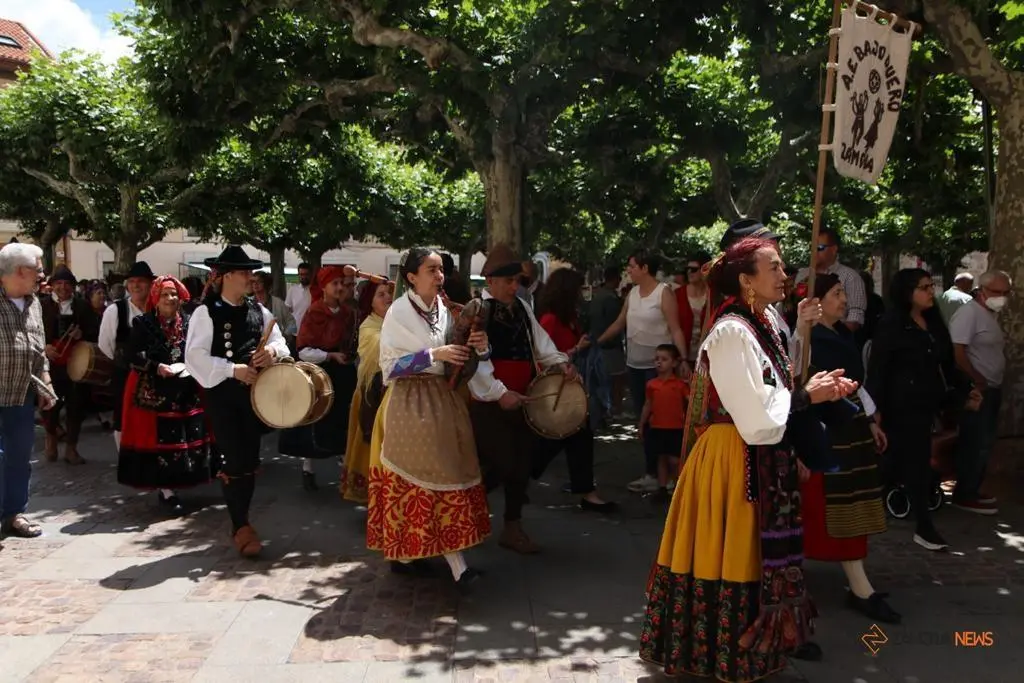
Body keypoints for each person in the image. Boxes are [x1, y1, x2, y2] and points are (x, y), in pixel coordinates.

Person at [639, 237, 858, 681]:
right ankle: (720, 654)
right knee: (733, 553)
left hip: (763, 453)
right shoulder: (731, 332)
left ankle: (758, 653)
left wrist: (814, 389)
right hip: (733, 456)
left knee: (754, 557)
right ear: (746, 280)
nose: (784, 274)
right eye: (773, 267)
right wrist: (805, 397)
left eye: (782, 267)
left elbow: (778, 389)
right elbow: (755, 415)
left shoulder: (769, 320)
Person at [366, 247, 491, 589]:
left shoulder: (446, 309)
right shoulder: (398, 313)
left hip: (444, 401)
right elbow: (390, 366)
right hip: (410, 404)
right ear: (411, 277)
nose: (439, 276)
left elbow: (462, 359)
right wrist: (435, 354)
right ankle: (458, 568)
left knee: (442, 473)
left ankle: (407, 556)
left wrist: (479, 347)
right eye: (432, 270)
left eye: (440, 270)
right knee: (428, 475)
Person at [468, 244, 576, 554]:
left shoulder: (522, 309)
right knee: (500, 463)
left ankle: (512, 528)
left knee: (521, 465)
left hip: (523, 400)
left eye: (517, 281)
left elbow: (541, 343)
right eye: (509, 281)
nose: (515, 286)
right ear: (491, 281)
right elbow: (476, 364)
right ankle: (461, 516)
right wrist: (500, 394)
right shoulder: (478, 312)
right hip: (489, 403)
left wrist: (561, 363)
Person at [803, 273, 897, 623]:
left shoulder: (842, 335)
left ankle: (860, 585)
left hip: (850, 428)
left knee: (848, 506)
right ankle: (858, 588)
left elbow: (854, 386)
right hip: (825, 434)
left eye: (843, 293)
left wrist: (870, 420)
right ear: (817, 301)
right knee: (824, 509)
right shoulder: (809, 340)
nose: (843, 300)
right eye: (836, 293)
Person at [185, 246, 289, 557]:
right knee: (234, 460)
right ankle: (240, 524)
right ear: (227, 275)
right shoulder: (207, 312)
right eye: (245, 273)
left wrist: (271, 353)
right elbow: (194, 358)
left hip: (255, 399)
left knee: (250, 460)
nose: (251, 279)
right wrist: (233, 370)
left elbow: (281, 342)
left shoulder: (260, 311)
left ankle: (241, 521)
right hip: (224, 398)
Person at [866, 269, 962, 551]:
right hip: (901, 405)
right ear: (907, 292)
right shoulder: (892, 324)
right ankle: (923, 524)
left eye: (931, 285)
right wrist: (875, 409)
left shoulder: (932, 322)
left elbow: (946, 363)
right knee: (915, 461)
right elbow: (879, 370)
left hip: (928, 402)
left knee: (908, 461)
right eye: (923, 287)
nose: (930, 291)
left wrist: (964, 390)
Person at [117, 276, 216, 515]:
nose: (170, 299)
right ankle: (167, 490)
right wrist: (156, 367)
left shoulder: (190, 322)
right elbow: (130, 355)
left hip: (185, 385)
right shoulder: (143, 323)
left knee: (187, 432)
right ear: (155, 298)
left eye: (173, 294)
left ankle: (182, 480)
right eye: (164, 295)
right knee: (159, 439)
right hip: (153, 389)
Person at [595, 249, 688, 494]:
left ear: (645, 268)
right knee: (644, 420)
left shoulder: (663, 293)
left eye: (632, 266)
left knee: (664, 422)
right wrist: (597, 341)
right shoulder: (633, 294)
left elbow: (675, 328)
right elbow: (620, 323)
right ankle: (651, 472)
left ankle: (667, 474)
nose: (629, 270)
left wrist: (683, 359)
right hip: (634, 365)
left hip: (658, 369)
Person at [534, 268, 617, 512]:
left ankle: (586, 491)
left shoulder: (569, 317)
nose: (582, 293)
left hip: (570, 386)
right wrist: (574, 350)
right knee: (557, 439)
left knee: (576, 437)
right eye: (579, 288)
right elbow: (541, 357)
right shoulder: (551, 319)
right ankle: (520, 475)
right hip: (558, 386)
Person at [279, 265, 358, 491]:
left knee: (343, 418)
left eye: (342, 283)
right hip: (318, 372)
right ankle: (308, 467)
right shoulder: (314, 312)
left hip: (342, 373)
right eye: (335, 283)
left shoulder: (347, 313)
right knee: (314, 419)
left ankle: (345, 468)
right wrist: (330, 354)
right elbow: (303, 349)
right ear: (323, 287)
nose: (340, 287)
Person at [0, 243, 55, 544]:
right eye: (38, 267)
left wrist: (45, 383)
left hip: (21, 394)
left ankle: (14, 514)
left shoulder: (34, 303)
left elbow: (39, 350)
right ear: (21, 271)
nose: (42, 273)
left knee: (20, 457)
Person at [949, 269, 1011, 514]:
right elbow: (958, 352)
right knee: (974, 441)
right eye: (997, 292)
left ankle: (973, 488)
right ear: (982, 290)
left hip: (992, 387)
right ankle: (965, 492)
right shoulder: (968, 313)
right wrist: (976, 379)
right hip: (978, 390)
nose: (1002, 297)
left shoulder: (989, 313)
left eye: (1006, 293)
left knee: (984, 441)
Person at [341, 279, 393, 504]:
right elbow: (384, 350)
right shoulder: (368, 326)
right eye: (381, 294)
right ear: (370, 302)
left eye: (390, 294)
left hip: (394, 395)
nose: (388, 298)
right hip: (372, 395)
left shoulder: (395, 323)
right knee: (370, 446)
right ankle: (372, 498)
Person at [40, 265, 98, 464]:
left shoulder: (82, 306)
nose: (63, 287)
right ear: (52, 286)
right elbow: (31, 333)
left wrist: (83, 334)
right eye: (58, 283)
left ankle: (71, 449)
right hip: (51, 363)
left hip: (77, 362)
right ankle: (51, 441)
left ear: (72, 286)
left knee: (77, 406)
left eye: (66, 284)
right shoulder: (41, 305)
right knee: (50, 404)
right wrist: (45, 347)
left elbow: (95, 331)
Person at [99, 262, 155, 448]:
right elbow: (105, 345)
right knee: (123, 419)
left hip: (156, 375)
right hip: (125, 375)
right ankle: (125, 460)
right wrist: (124, 361)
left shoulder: (158, 309)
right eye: (131, 282)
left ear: (151, 284)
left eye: (141, 281)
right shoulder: (115, 310)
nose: (136, 286)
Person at [638, 344, 688, 504]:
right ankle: (662, 487)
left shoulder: (680, 385)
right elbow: (648, 404)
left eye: (664, 359)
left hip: (676, 428)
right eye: (657, 359)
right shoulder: (652, 384)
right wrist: (641, 424)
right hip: (657, 427)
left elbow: (690, 400)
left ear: (674, 363)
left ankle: (679, 486)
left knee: (675, 459)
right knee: (661, 457)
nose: (659, 362)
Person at [796, 226, 867, 333]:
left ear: (834, 249)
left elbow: (856, 314)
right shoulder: (802, 275)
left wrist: (835, 338)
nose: (814, 251)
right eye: (812, 247)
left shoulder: (850, 277)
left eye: (819, 248)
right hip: (801, 338)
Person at [588, 267, 626, 419]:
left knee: (602, 379)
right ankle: (615, 409)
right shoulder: (610, 299)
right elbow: (616, 322)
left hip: (598, 342)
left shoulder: (597, 296)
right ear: (615, 279)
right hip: (610, 344)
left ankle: (605, 410)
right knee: (617, 378)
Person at [675, 253, 710, 364]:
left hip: (707, 356)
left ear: (704, 270)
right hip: (682, 357)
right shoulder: (678, 294)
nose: (689, 272)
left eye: (693, 269)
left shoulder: (713, 295)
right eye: (687, 269)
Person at [251, 271, 296, 347]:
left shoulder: (278, 303)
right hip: (255, 347)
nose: (255, 284)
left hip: (276, 347)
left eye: (259, 281)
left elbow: (292, 324)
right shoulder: (249, 304)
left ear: (266, 283)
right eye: (253, 281)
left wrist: (285, 337)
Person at [285, 262, 313, 329]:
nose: (304, 277)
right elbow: (287, 309)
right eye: (301, 274)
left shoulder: (316, 291)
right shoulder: (292, 290)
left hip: (312, 330)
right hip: (295, 330)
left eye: (306, 274)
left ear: (311, 275)